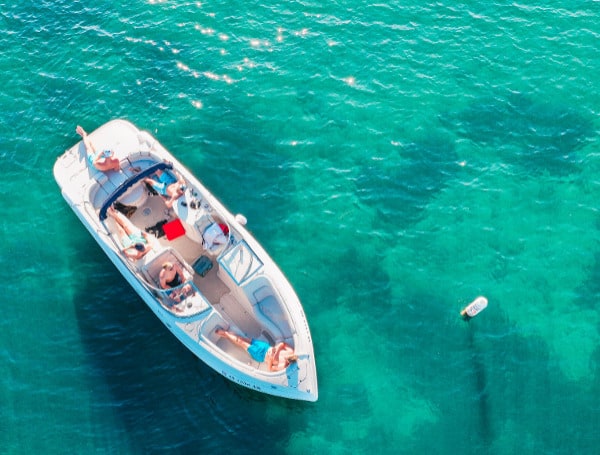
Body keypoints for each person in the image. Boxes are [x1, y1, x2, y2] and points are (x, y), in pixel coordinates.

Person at [215, 328, 298, 372]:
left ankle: (225, 333)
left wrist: (269, 360)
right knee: (242, 339)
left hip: (260, 354)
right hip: (265, 347)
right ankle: (227, 336)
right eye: (288, 356)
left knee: (240, 342)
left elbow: (271, 369)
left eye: (287, 359)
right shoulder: (290, 351)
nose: (286, 357)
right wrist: (276, 349)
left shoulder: (283, 365)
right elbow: (282, 344)